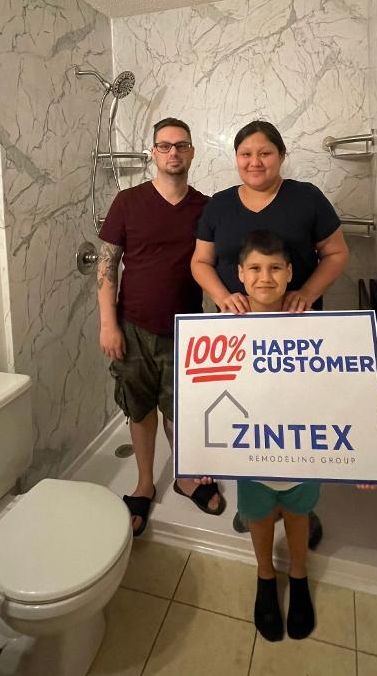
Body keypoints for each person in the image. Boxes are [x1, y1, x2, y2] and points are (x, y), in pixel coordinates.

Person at [190, 119, 349, 540]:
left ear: (281, 155)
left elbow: (336, 252)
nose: (255, 162)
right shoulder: (219, 205)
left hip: (297, 334)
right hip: (237, 335)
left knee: (296, 418)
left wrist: (307, 292)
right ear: (236, 158)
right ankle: (256, 503)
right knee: (247, 414)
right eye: (246, 154)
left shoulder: (306, 198)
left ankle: (301, 506)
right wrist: (223, 296)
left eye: (265, 153)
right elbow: (200, 262)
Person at [97, 117, 225, 535]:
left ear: (192, 152)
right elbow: (107, 264)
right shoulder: (128, 201)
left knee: (181, 409)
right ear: (153, 152)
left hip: (187, 331)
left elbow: (217, 265)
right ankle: (144, 483)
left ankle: (186, 477)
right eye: (165, 145)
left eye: (181, 145)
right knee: (139, 408)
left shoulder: (206, 208)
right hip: (132, 327)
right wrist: (108, 323)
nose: (173, 152)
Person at [233, 230, 320, 641]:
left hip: (302, 453)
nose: (264, 277)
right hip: (251, 456)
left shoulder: (312, 326)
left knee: (299, 516)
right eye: (254, 268)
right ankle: (265, 577)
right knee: (259, 518)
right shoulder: (224, 329)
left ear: (289, 273)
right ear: (240, 274)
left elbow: (339, 393)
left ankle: (299, 576)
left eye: (273, 268)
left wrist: (365, 457)